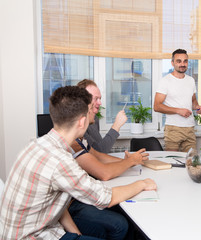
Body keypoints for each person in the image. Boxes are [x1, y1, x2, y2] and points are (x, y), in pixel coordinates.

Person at [0, 86, 157, 239]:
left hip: (24, 230)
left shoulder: (36, 145)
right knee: (119, 224)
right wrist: (142, 184)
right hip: (34, 235)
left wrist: (76, 234)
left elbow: (55, 205)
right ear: (82, 122)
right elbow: (104, 197)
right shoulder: (60, 160)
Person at [68, 100, 149, 239]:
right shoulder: (72, 144)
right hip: (75, 202)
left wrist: (129, 161)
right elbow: (104, 173)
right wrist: (133, 167)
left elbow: (99, 156)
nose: (96, 108)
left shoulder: (80, 139)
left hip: (80, 197)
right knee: (120, 223)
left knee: (124, 211)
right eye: (92, 105)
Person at [154, 49, 201, 152]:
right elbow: (157, 106)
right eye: (179, 61)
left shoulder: (191, 80)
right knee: (172, 162)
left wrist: (197, 107)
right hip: (173, 129)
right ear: (172, 63)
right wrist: (178, 110)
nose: (182, 64)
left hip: (190, 128)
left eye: (185, 61)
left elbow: (193, 101)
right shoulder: (165, 81)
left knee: (191, 162)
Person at [78, 79, 127, 153]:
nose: (100, 103)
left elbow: (98, 152)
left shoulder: (94, 119)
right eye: (96, 98)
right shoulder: (78, 124)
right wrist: (117, 125)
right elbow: (99, 151)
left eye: (100, 98)